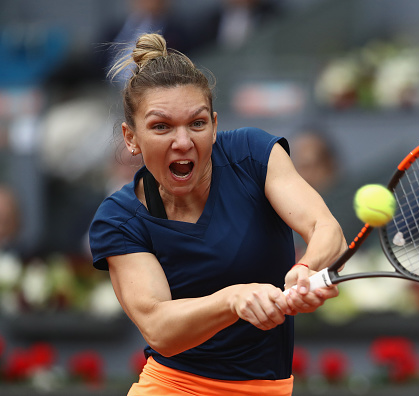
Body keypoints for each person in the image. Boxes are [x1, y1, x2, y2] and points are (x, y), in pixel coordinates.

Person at [88, 33, 345, 395]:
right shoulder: (119, 219)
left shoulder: (253, 154)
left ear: (214, 124)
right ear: (131, 138)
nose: (183, 141)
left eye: (197, 123)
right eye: (161, 126)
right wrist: (233, 299)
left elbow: (325, 228)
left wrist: (306, 269)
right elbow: (159, 327)